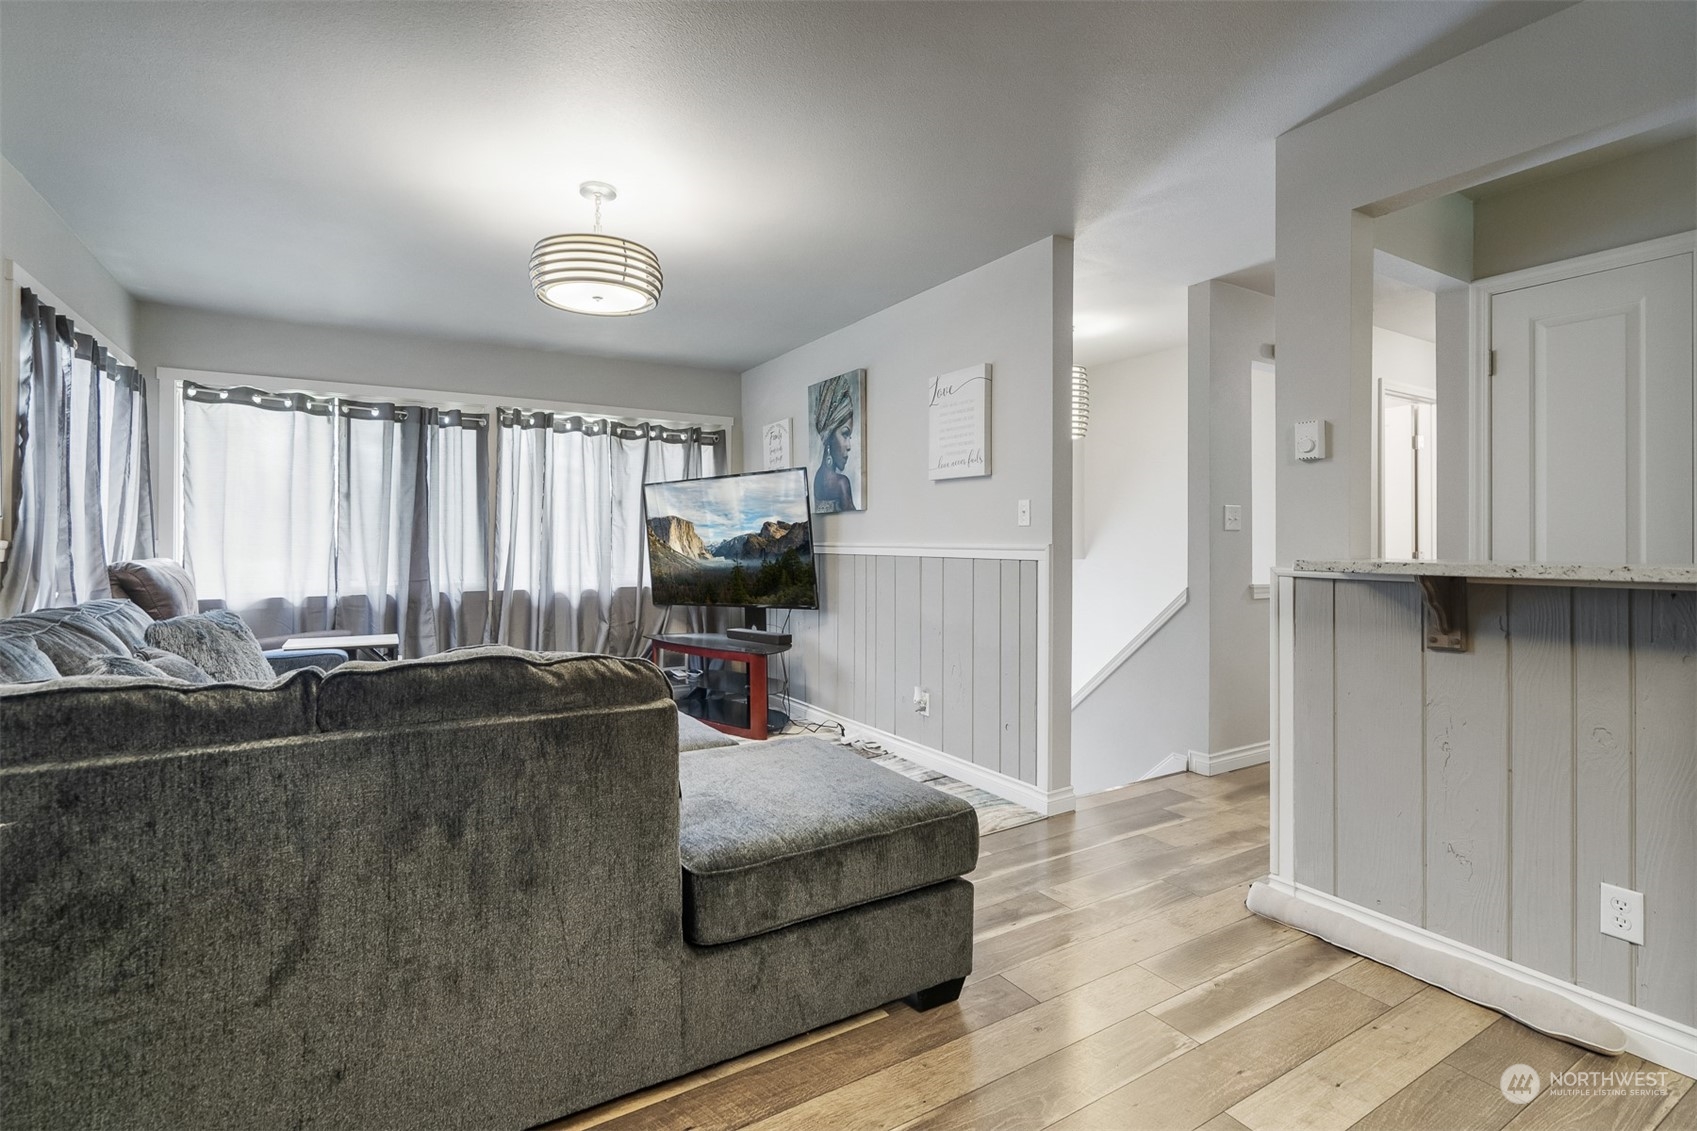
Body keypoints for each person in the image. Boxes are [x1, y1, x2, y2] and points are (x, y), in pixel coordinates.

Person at [812, 373, 858, 513]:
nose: (849, 446)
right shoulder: (841, 483)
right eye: (845, 434)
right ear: (830, 436)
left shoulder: (817, 479)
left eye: (849, 437)